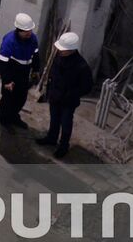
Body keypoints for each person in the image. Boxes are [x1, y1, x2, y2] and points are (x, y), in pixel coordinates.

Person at [37, 31, 93, 159]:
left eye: (63, 50)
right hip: (55, 96)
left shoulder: (82, 67)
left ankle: (63, 146)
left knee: (66, 123)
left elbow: (87, 87)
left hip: (68, 102)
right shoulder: (59, 57)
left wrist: (70, 94)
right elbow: (53, 74)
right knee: (54, 119)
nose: (60, 51)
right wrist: (49, 90)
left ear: (72, 50)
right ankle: (51, 138)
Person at [0, 12, 39, 131]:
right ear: (18, 30)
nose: (29, 33)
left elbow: (35, 55)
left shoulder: (33, 39)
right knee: (8, 99)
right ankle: (4, 120)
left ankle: (14, 117)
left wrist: (36, 70)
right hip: (12, 72)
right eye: (26, 31)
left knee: (21, 98)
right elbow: (1, 63)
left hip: (24, 72)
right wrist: (7, 80)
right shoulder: (9, 41)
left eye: (30, 30)